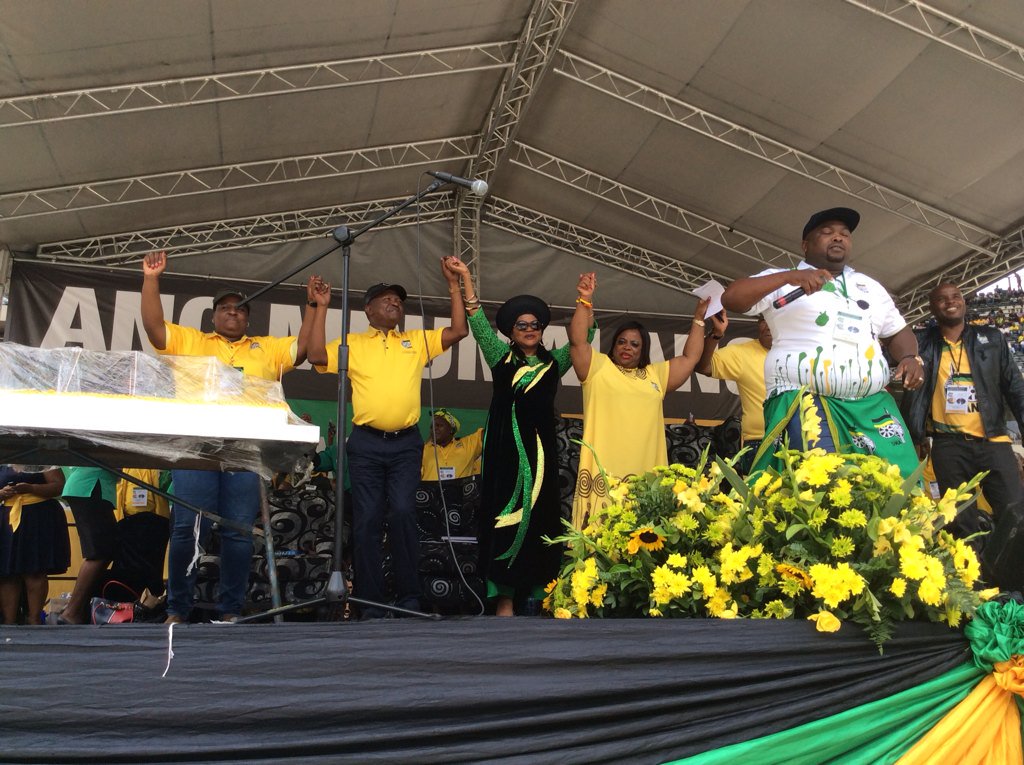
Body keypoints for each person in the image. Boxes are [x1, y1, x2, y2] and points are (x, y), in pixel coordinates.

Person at [141, 250, 312, 623]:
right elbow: (154, 327)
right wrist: (151, 280)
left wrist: (314, 307)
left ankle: (231, 610)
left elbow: (302, 349)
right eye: (225, 308)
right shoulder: (191, 341)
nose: (233, 313)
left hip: (245, 451)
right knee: (188, 529)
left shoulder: (265, 347)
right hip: (196, 448)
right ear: (214, 315)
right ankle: (177, 609)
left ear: (248, 318)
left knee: (238, 532)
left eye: (240, 309)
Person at [305, 258, 468, 618]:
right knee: (366, 520)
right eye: (386, 299)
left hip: (406, 444)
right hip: (365, 444)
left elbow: (459, 331)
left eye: (399, 300)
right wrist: (320, 307)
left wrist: (453, 286)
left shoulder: (415, 341)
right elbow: (315, 355)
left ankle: (409, 598)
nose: (395, 302)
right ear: (368, 310)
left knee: (404, 513)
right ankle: (370, 601)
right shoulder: (352, 343)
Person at [721, 207, 924, 476]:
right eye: (827, 232)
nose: (838, 237)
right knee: (822, 482)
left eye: (844, 234)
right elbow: (732, 298)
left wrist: (910, 357)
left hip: (870, 406)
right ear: (805, 245)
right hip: (806, 400)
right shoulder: (783, 280)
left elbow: (897, 332)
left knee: (900, 481)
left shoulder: (870, 286)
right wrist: (790, 277)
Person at [444, 260, 590, 616]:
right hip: (507, 456)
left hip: (541, 457)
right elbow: (478, 322)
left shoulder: (555, 362)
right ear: (511, 331)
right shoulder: (501, 357)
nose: (529, 329)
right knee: (505, 520)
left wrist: (585, 300)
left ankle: (538, 594)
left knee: (541, 520)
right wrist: (465, 279)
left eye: (535, 324)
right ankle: (505, 597)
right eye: (522, 325)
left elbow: (583, 337)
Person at [568, 272, 709, 528]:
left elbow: (690, 358)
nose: (627, 347)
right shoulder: (597, 368)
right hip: (604, 472)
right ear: (613, 345)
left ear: (643, 350)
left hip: (645, 470)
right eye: (622, 342)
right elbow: (578, 341)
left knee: (643, 541)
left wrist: (699, 318)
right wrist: (584, 299)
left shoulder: (655, 375)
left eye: (635, 344)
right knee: (598, 540)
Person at [900, 282, 1024, 540]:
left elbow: (1015, 387)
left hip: (994, 441)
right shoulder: (920, 343)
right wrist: (915, 435)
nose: (950, 302)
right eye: (942, 299)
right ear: (932, 307)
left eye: (956, 296)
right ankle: (972, 566)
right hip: (948, 446)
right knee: (959, 522)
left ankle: (1008, 564)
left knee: (1014, 514)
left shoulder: (992, 338)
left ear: (964, 302)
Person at [696, 313, 772, 475]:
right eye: (763, 320)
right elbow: (703, 366)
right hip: (759, 443)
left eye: (774, 319)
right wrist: (716, 334)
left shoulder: (806, 353)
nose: (768, 325)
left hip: (802, 440)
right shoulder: (742, 353)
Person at [0, 466, 69, 625]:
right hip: (7, 520)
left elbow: (58, 485)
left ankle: (34, 619)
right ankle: (8, 621)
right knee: (7, 573)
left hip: (38, 517)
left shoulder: (42, 459)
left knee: (35, 570)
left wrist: (31, 488)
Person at [60, 466, 118, 624]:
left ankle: (80, 609)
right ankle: (71, 611)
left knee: (108, 549)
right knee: (98, 553)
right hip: (91, 486)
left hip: (87, 486)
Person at [421, 409, 483, 481]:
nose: (434, 429)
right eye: (432, 427)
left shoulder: (467, 445)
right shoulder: (422, 450)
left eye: (439, 425)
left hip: (460, 488)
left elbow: (487, 433)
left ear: (451, 430)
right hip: (429, 488)